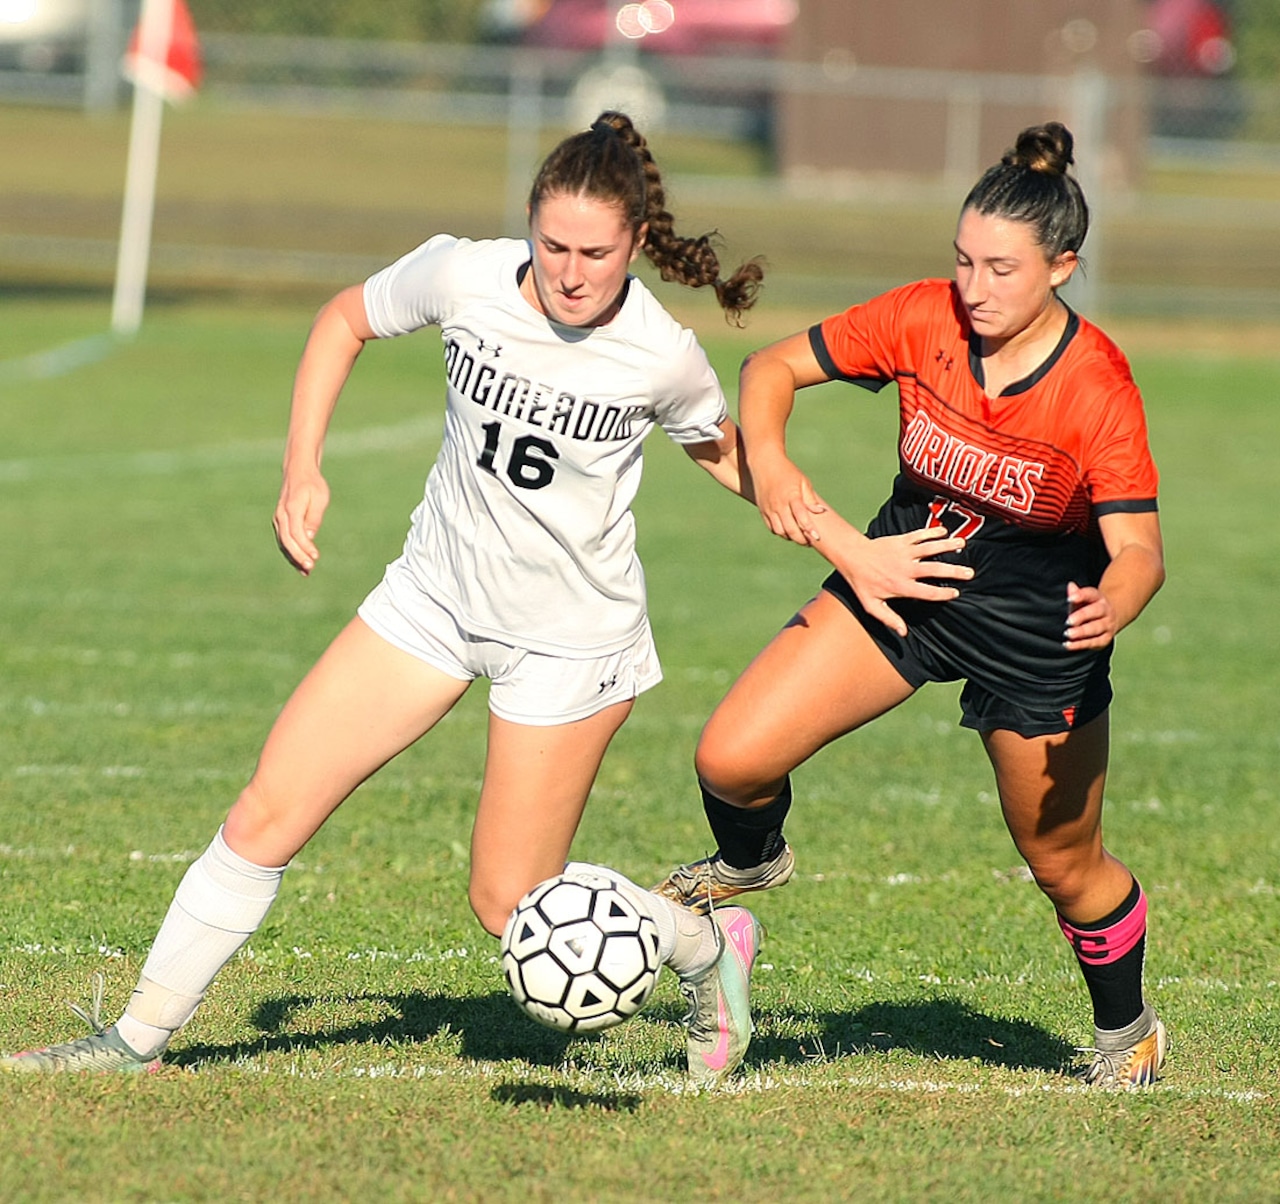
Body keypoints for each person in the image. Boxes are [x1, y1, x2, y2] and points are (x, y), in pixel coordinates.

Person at [2, 112, 763, 1086]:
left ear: (635, 244)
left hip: (568, 642)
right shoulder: (463, 275)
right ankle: (132, 1040)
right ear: (526, 226)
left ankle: (706, 945)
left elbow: (726, 453)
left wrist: (827, 529)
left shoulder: (660, 353)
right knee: (268, 808)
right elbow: (342, 321)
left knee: (508, 902)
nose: (570, 272)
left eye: (596, 253)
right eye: (553, 245)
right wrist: (300, 468)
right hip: (431, 600)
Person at [653, 122, 1168, 1089]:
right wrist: (774, 465)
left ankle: (1126, 1025)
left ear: (1063, 267)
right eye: (963, 261)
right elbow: (770, 368)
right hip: (902, 576)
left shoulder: (1096, 387)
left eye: (1002, 269)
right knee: (729, 757)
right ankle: (752, 864)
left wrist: (1117, 600)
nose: (974, 288)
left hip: (1039, 630)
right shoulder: (924, 317)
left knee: (1065, 866)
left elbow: (1139, 548)